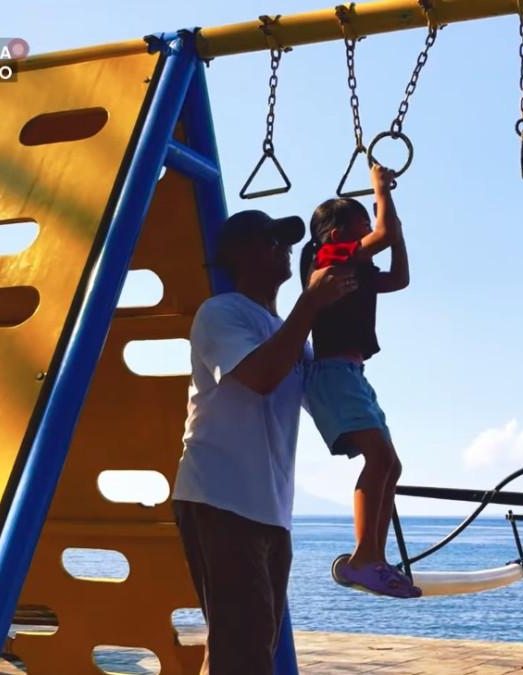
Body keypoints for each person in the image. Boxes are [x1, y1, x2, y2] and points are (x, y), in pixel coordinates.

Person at [172, 209, 356, 675]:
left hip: (270, 510)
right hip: (220, 497)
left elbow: (327, 401)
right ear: (236, 255)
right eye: (269, 240)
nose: (283, 248)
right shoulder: (221, 313)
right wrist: (310, 306)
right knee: (246, 651)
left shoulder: (292, 333)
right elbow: (260, 376)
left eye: (286, 242)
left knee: (247, 646)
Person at [299, 164, 418, 598]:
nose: (369, 232)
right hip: (333, 374)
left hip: (351, 374)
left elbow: (399, 277)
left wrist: (394, 227)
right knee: (380, 460)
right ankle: (363, 559)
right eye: (360, 227)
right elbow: (383, 235)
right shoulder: (327, 258)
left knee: (391, 464)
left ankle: (373, 557)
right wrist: (381, 190)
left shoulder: (355, 269)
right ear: (335, 236)